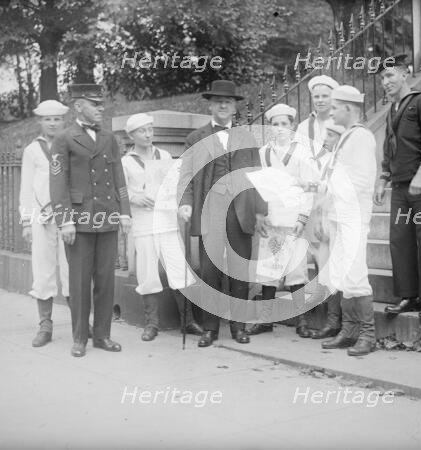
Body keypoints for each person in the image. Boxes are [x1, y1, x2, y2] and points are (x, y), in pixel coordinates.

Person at [177, 80, 267, 348]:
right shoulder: (196, 138)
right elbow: (187, 177)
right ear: (211, 105)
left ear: (235, 106)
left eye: (228, 101)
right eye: (218, 101)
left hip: (240, 211)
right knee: (210, 270)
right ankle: (210, 328)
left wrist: (261, 211)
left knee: (240, 269)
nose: (223, 105)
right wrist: (185, 202)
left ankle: (239, 327)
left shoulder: (247, 138)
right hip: (210, 211)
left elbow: (258, 177)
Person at [50, 84, 132, 357]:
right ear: (78, 106)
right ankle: (79, 337)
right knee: (80, 281)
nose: (100, 108)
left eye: (101, 104)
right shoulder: (64, 138)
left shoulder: (108, 138)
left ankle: (102, 336)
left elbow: (118, 175)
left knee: (106, 280)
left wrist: (125, 211)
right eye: (94, 104)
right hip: (79, 221)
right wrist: (65, 220)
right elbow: (58, 182)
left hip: (107, 217)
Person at [301, 85, 377, 356]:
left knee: (356, 275)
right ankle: (349, 330)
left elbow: (362, 182)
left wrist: (330, 193)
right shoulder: (347, 138)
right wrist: (317, 189)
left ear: (348, 108)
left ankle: (368, 334)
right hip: (340, 217)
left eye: (334, 107)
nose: (330, 112)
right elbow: (336, 177)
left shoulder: (361, 137)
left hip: (353, 218)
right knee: (342, 275)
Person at [374, 55, 421, 319]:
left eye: (390, 75)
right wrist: (383, 179)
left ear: (405, 74)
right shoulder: (392, 110)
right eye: (382, 78)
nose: (386, 82)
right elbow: (388, 149)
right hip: (400, 188)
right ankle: (408, 296)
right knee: (400, 240)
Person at [121, 113, 203, 341]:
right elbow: (120, 190)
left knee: (178, 267)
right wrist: (133, 198)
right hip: (144, 222)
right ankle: (152, 323)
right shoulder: (126, 162)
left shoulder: (164, 155)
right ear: (131, 135)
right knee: (148, 271)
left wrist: (177, 204)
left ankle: (187, 321)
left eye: (150, 129)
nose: (147, 134)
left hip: (166, 220)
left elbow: (176, 185)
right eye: (141, 131)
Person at [246, 103, 317, 338]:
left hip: (294, 219)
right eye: (275, 125)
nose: (279, 129)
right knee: (269, 269)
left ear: (293, 126)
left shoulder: (302, 152)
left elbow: (309, 187)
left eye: (284, 124)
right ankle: (266, 319)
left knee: (296, 270)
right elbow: (258, 186)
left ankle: (302, 320)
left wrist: (303, 217)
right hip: (273, 218)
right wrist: (260, 214)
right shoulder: (264, 152)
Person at [19, 99, 70, 347]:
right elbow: (26, 187)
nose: (52, 123)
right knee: (43, 270)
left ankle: (81, 323)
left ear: (63, 121)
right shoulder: (32, 150)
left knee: (72, 269)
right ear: (39, 121)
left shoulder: (70, 144)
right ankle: (45, 325)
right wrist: (27, 221)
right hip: (42, 218)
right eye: (48, 119)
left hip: (69, 217)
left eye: (57, 119)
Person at [307, 120, 345, 340]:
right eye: (326, 134)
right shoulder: (325, 162)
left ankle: (347, 321)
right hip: (326, 221)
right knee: (328, 271)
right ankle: (332, 320)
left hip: (342, 221)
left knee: (342, 270)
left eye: (331, 135)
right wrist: (320, 219)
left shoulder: (345, 162)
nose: (325, 139)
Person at [296, 75, 340, 170]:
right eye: (316, 96)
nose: (320, 100)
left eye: (325, 96)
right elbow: (298, 158)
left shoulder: (341, 125)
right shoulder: (303, 127)